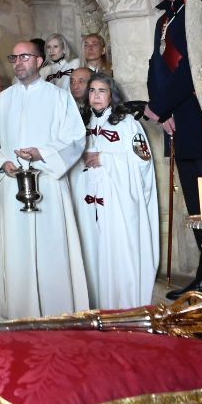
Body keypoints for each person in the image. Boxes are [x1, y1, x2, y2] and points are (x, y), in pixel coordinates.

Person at [0, 40, 90, 320]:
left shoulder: (58, 97)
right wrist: (2, 162)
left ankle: (57, 311)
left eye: (24, 57)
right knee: (15, 251)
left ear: (39, 61)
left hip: (48, 182)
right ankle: (16, 312)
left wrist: (43, 154)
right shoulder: (2, 101)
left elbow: (75, 138)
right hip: (12, 183)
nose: (18, 62)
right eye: (14, 57)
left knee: (52, 246)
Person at [145, 0, 202, 297]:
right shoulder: (164, 20)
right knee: (193, 203)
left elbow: (194, 68)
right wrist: (158, 111)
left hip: (196, 122)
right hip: (175, 122)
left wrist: (162, 106)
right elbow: (155, 68)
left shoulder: (194, 11)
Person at [76, 72, 160, 309]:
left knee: (118, 253)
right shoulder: (82, 124)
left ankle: (123, 305)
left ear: (112, 95)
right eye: (92, 91)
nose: (96, 96)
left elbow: (142, 161)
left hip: (118, 202)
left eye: (102, 91)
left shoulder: (127, 124)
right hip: (87, 201)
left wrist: (104, 158)